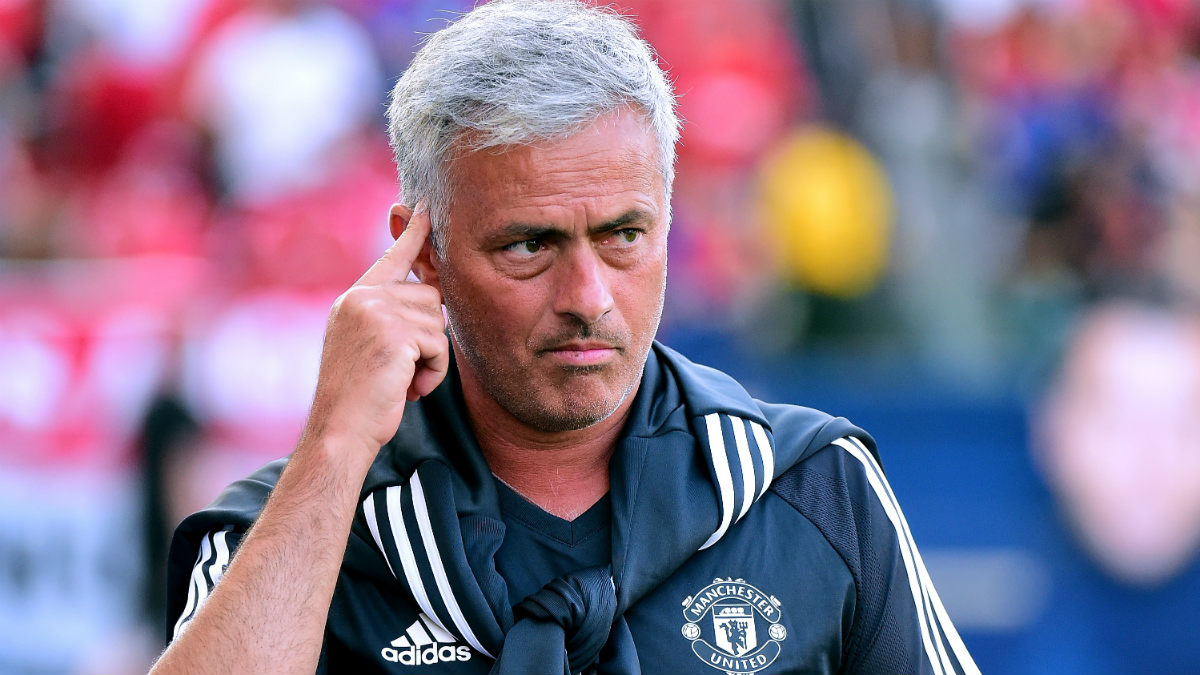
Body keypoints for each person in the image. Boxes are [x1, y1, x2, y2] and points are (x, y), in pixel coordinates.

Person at [152, 1, 979, 673]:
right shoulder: (293, 531)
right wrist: (332, 452)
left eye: (624, 235)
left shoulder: (813, 489)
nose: (587, 298)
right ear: (424, 254)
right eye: (529, 245)